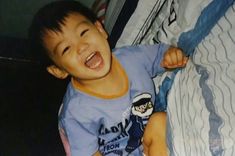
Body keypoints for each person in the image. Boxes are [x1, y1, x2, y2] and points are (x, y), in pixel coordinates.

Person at [29, 0, 188, 155]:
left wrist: (171, 56)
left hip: (144, 140)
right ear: (58, 70)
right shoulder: (77, 112)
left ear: (100, 29)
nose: (82, 46)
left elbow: (159, 56)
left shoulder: (132, 58)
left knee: (160, 121)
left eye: (83, 33)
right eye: (66, 49)